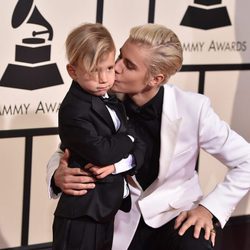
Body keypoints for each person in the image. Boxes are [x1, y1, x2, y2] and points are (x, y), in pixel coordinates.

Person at [47, 23, 250, 250]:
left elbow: (246, 160)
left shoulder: (193, 108)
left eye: (129, 65)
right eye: (120, 56)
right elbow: (68, 147)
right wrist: (57, 175)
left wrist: (209, 209)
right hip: (117, 218)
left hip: (174, 215)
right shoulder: (100, 97)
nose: (116, 67)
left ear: (155, 79)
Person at [51, 23, 145, 250]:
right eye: (94, 70)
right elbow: (102, 152)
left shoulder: (112, 98)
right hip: (82, 214)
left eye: (109, 68)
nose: (104, 78)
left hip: (105, 211)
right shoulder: (74, 109)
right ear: (73, 71)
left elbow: (140, 149)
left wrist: (121, 158)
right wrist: (130, 139)